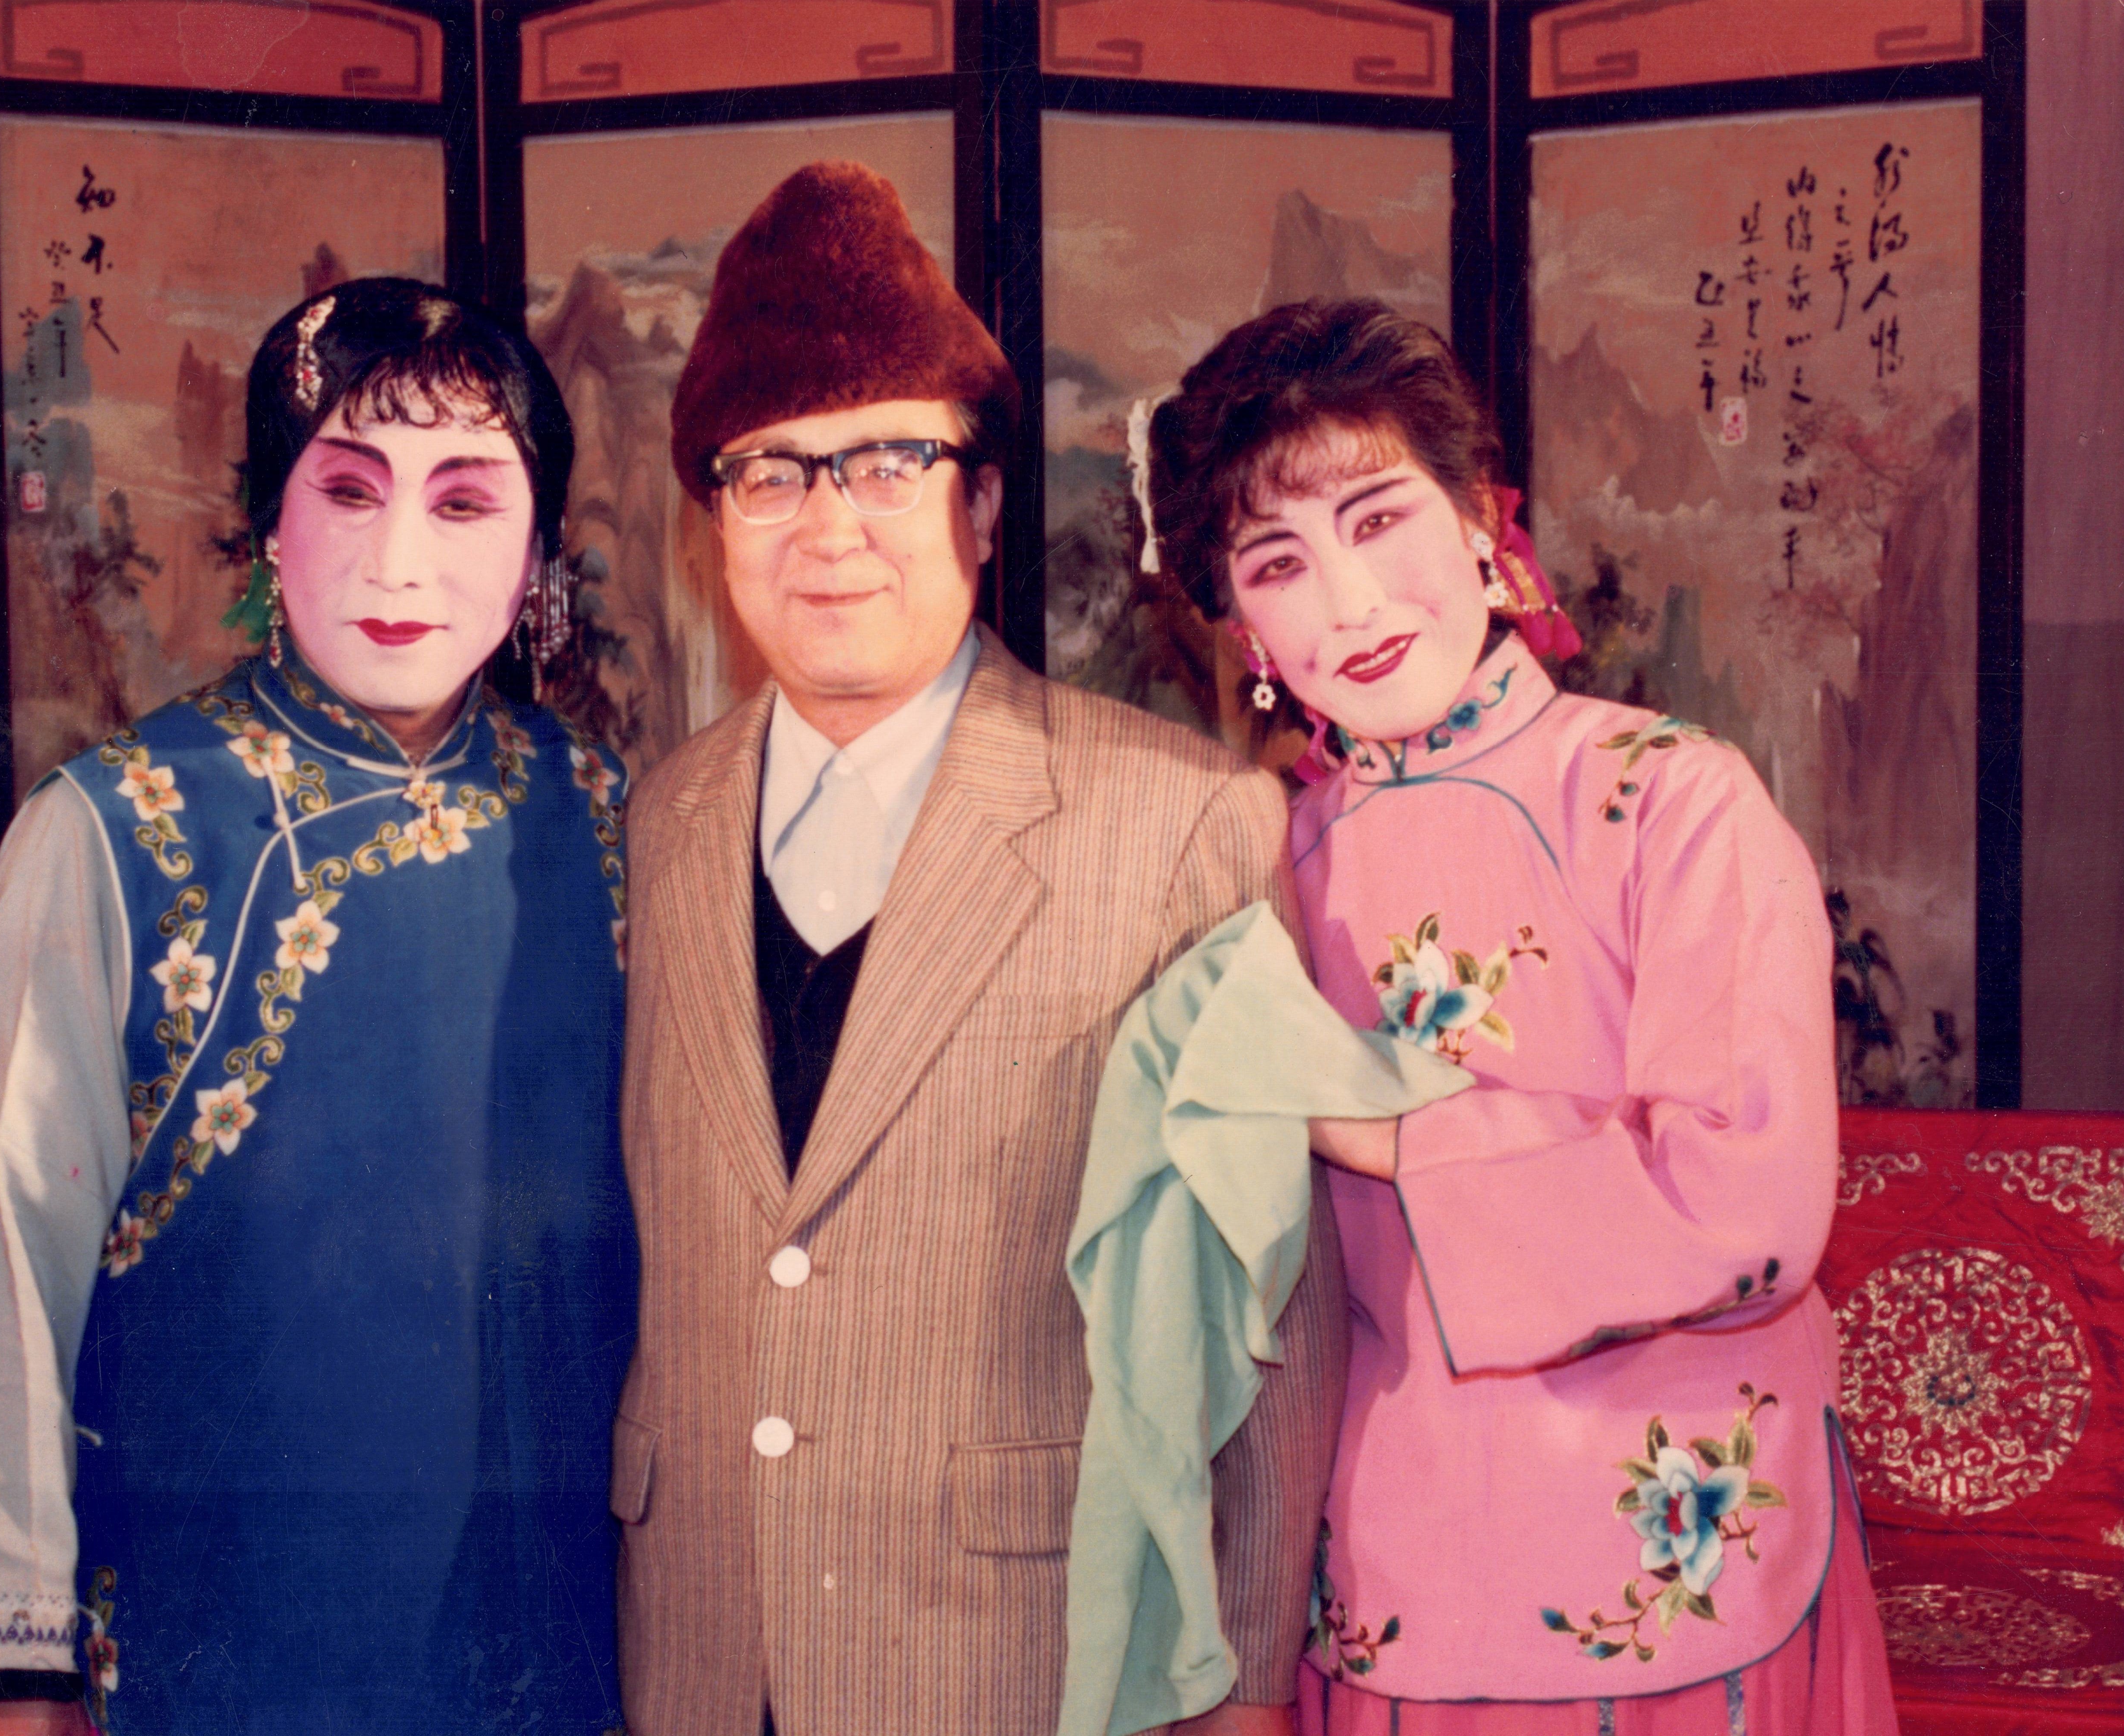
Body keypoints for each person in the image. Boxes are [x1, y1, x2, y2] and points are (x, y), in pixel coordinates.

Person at [611, 160, 1346, 1736]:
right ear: (713, 521)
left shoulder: (1176, 822)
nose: (830, 527)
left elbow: (1272, 1299)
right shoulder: (660, 824)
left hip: (1021, 1650)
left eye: (890, 463)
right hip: (700, 1645)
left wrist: (1241, 1682)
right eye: (770, 473)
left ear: (985, 504)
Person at [0, 279, 638, 1736]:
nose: (399, 559)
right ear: (267, 526)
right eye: (347, 491)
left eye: (464, 503)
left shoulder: (609, 819)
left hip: (555, 1626)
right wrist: (6, 1661)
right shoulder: (115, 830)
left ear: (538, 550)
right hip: (229, 1622)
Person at [1142, 299, 1897, 1735]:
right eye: (1278, 563)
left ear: (1483, 523)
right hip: (1387, 1567)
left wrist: (1383, 1132)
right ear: (1241, 629)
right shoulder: (1261, 862)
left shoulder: (1668, 797)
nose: (1349, 603)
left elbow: (1748, 1202)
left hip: (1678, 1552)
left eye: (1378, 520)